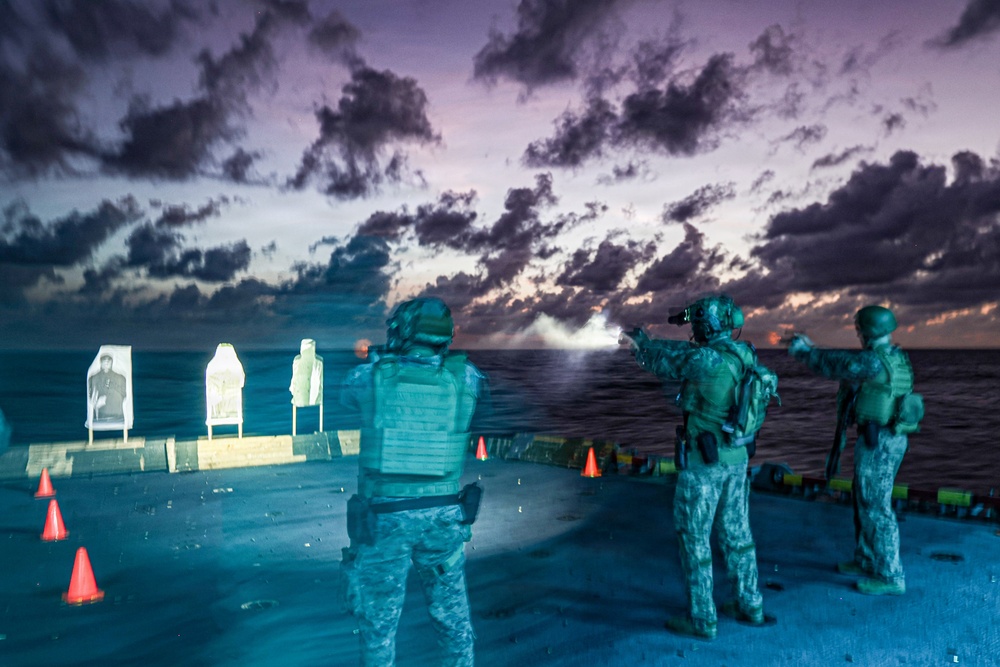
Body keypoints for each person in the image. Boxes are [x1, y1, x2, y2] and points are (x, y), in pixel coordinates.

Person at [339, 297, 489, 667]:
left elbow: (346, 396)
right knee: (452, 621)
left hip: (385, 520)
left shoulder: (370, 377)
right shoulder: (465, 376)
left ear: (403, 332)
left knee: (378, 628)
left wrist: (381, 361)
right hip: (444, 519)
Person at [624, 294, 776, 640]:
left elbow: (662, 362)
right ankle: (751, 605)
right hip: (738, 460)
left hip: (704, 464)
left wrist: (638, 345)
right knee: (737, 535)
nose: (692, 329)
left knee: (694, 538)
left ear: (705, 326)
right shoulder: (744, 353)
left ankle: (702, 619)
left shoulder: (705, 360)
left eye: (696, 324)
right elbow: (685, 353)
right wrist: (648, 338)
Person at [788, 305, 916, 596]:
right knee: (865, 501)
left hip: (879, 442)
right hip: (888, 438)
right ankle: (867, 559)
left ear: (866, 331)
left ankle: (890, 575)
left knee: (876, 507)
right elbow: (848, 362)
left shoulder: (873, 362)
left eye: (859, 330)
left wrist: (806, 351)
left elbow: (838, 365)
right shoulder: (895, 357)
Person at [88, 354, 127, 423]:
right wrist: (96, 402)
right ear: (100, 362)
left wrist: (113, 387)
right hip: (100, 415)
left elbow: (124, 394)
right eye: (104, 360)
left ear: (112, 362)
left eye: (108, 360)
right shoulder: (93, 378)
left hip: (117, 414)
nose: (106, 362)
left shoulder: (120, 378)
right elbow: (90, 395)